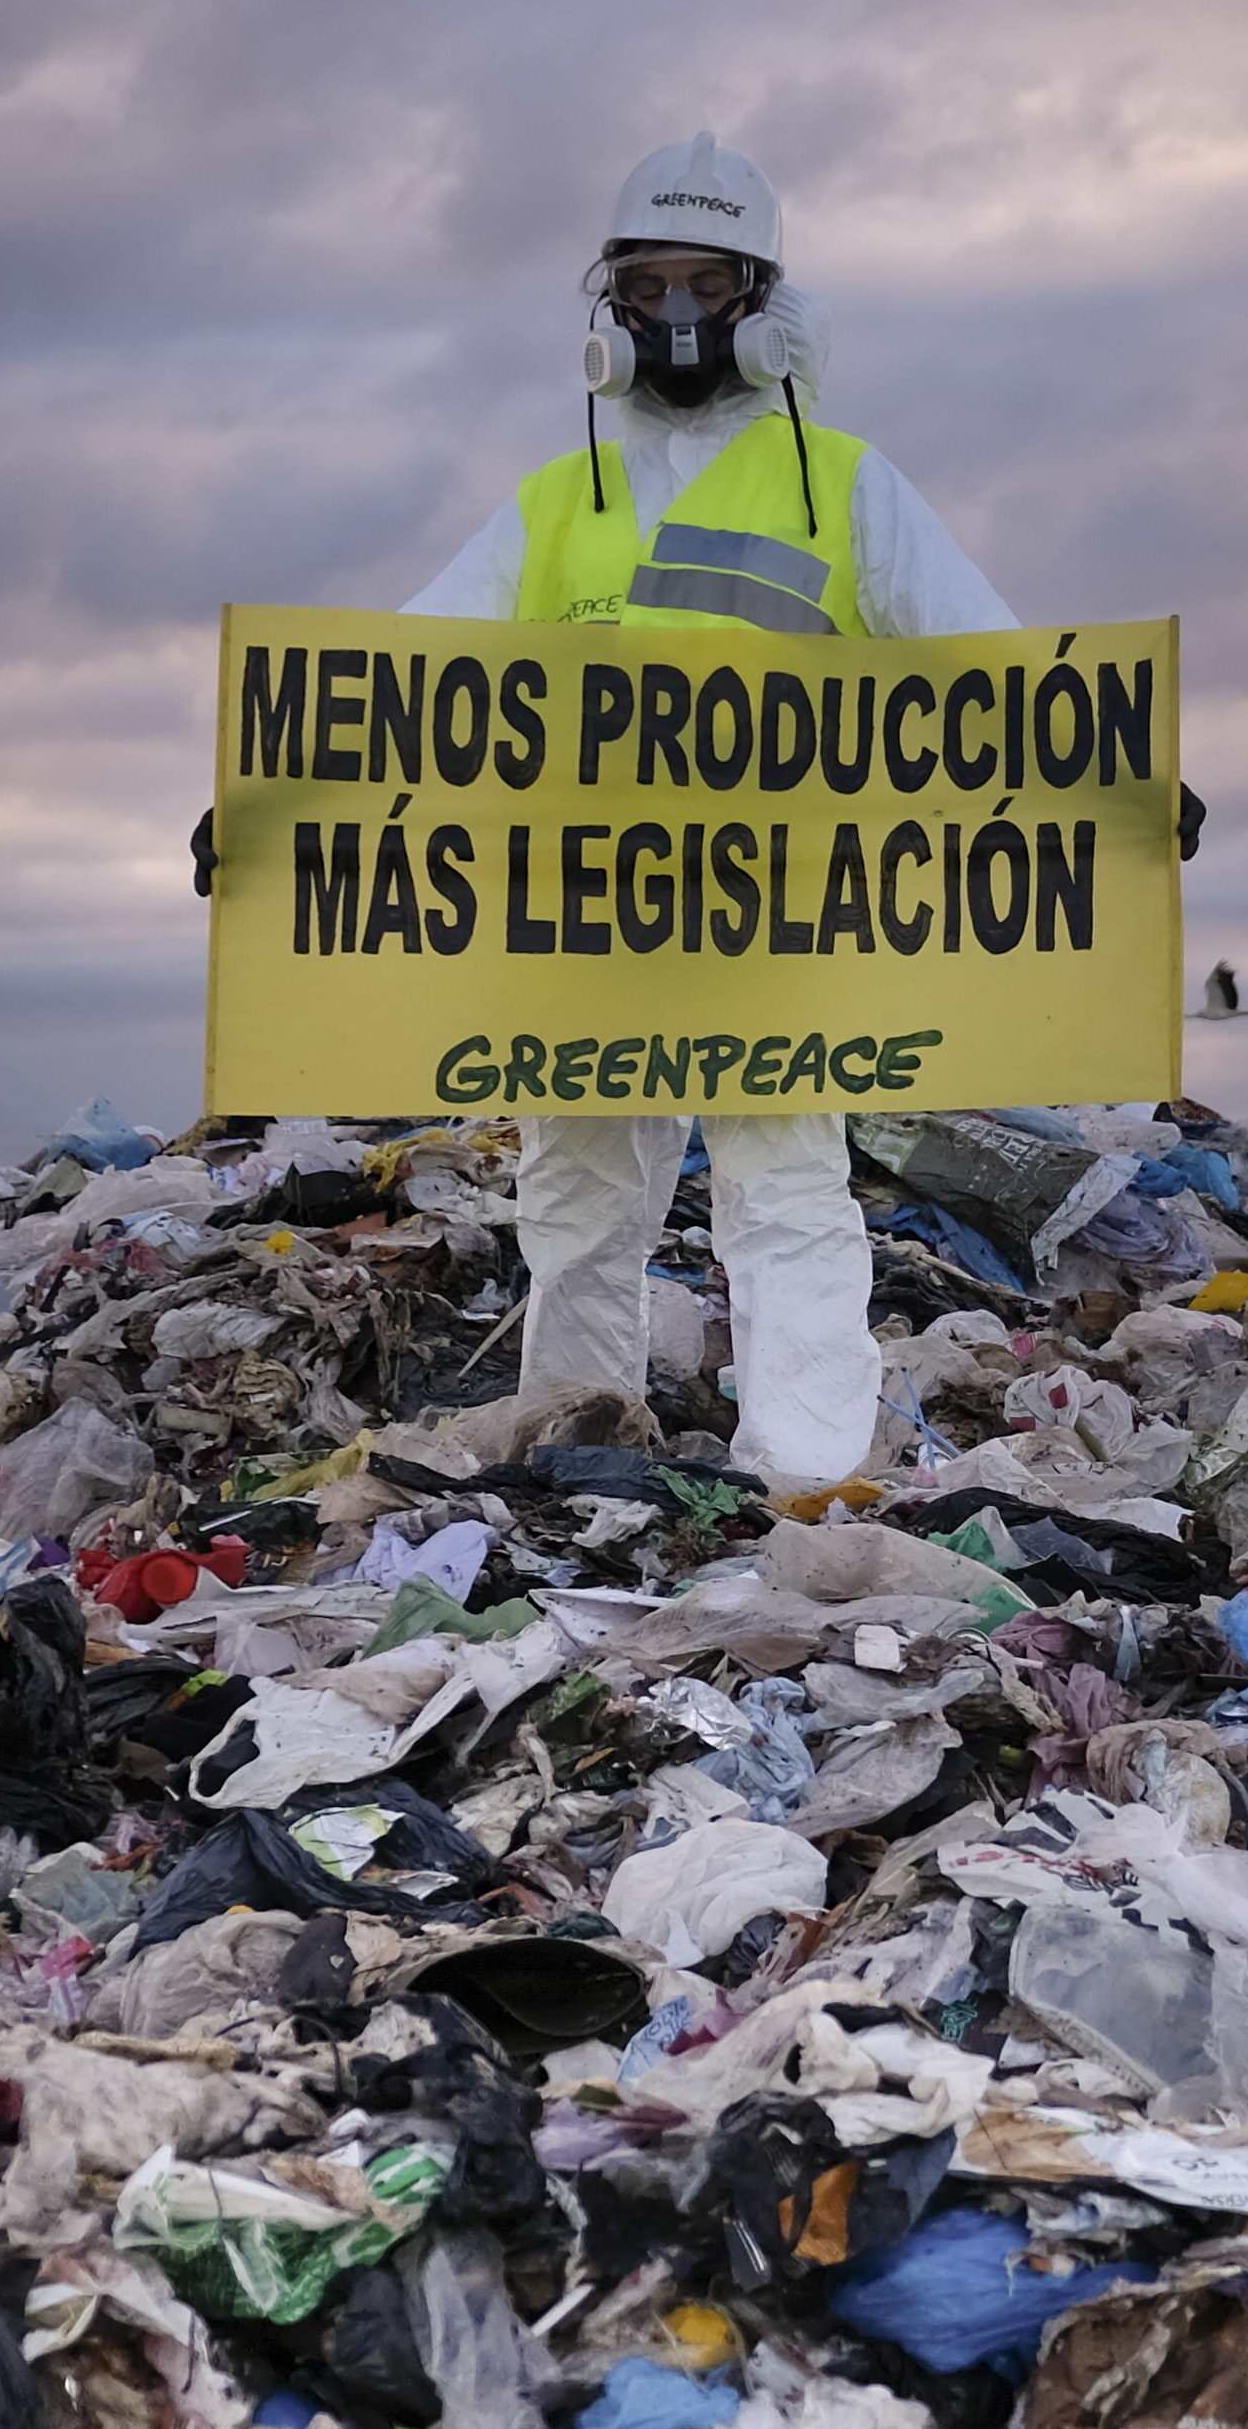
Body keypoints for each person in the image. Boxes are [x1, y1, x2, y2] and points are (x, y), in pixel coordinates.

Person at [397, 132, 1017, 1498]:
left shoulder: (841, 483)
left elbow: (992, 666)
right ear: (610, 304)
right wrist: (262, 803)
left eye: (706, 282)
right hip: (586, 915)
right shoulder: (555, 503)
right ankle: (578, 1455)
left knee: (784, 1191)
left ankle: (803, 1480)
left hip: (770, 916)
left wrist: (1127, 780)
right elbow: (393, 681)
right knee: (575, 1202)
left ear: (765, 304)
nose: (674, 312)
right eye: (647, 283)